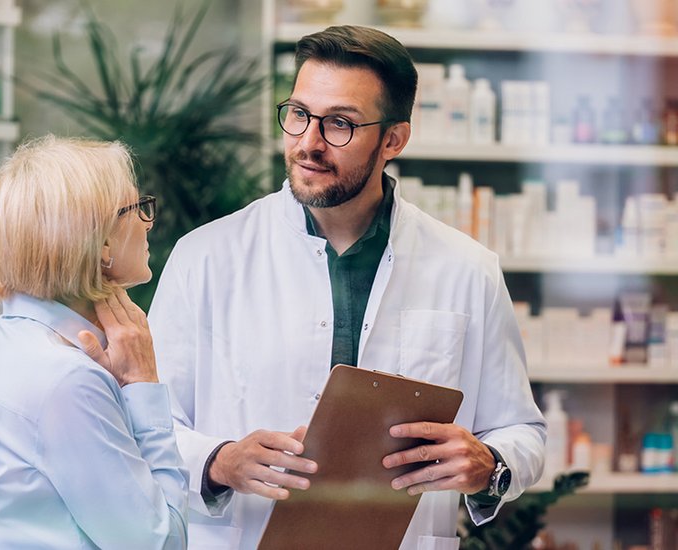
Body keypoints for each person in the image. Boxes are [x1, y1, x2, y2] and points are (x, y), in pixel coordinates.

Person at [146, 26, 546, 549]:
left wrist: (489, 463)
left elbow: (523, 431)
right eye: (298, 114)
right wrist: (220, 461)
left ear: (393, 140)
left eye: (340, 123)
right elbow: (150, 430)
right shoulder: (206, 257)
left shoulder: (467, 269)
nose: (308, 142)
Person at [0, 136, 188, 549]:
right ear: (102, 243)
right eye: (137, 209)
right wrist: (143, 386)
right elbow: (160, 542)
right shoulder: (67, 380)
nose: (149, 222)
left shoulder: (9, 344)